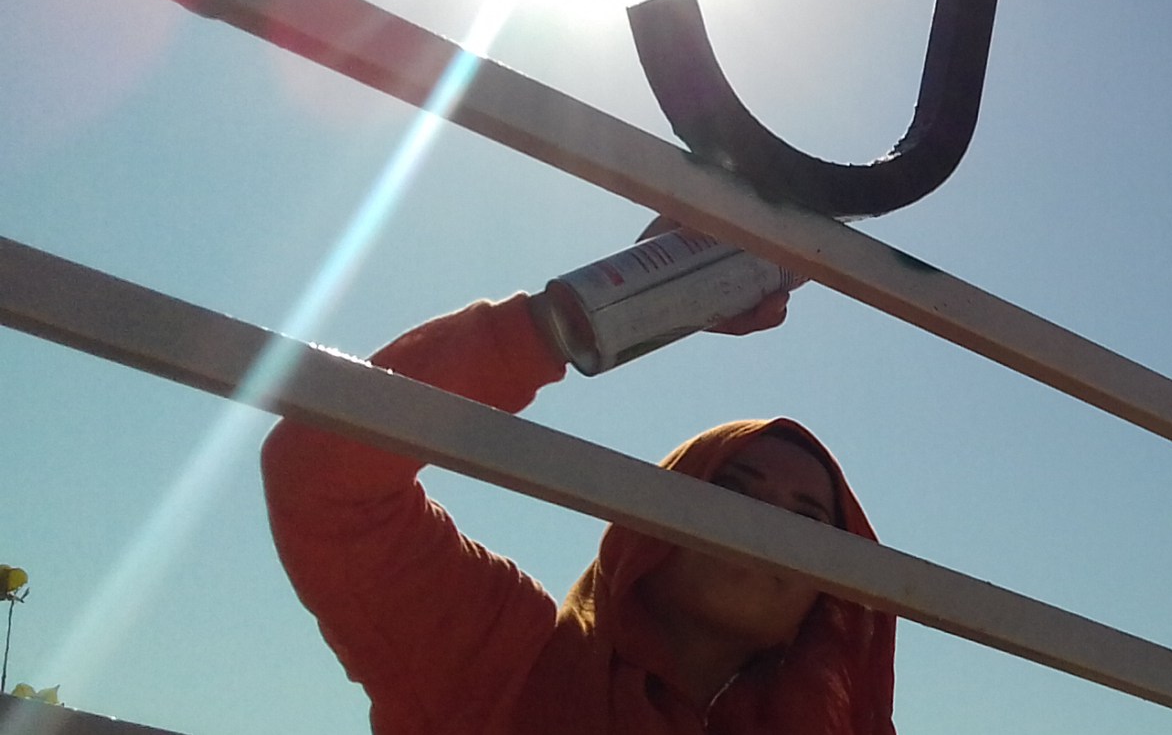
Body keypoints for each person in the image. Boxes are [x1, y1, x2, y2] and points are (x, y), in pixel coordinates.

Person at [260, 252, 893, 735]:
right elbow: (319, 467)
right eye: (731, 489)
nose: (766, 523)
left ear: (829, 596)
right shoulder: (502, 661)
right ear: (649, 530)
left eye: (807, 522)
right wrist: (613, 305)